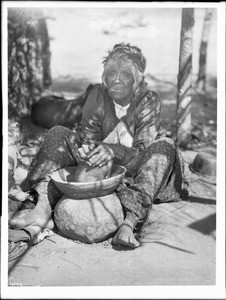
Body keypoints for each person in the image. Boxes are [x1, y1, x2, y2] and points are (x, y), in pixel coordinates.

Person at [9, 42, 188, 248]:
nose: (116, 80)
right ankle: (42, 207)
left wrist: (111, 150)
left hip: (133, 170)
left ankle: (129, 223)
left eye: (125, 75)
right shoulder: (97, 95)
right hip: (98, 168)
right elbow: (89, 137)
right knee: (59, 132)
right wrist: (87, 150)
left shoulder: (148, 101)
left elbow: (141, 151)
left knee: (164, 146)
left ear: (138, 79)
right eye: (111, 73)